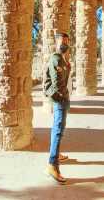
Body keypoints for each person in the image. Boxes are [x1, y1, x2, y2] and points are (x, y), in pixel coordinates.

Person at [44, 32, 71, 184]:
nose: (65, 43)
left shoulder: (62, 59)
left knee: (58, 128)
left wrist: (67, 65)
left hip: (63, 98)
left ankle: (57, 153)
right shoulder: (55, 58)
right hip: (60, 99)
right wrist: (62, 98)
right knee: (58, 129)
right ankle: (52, 164)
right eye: (62, 40)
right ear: (56, 42)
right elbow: (57, 83)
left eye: (66, 41)